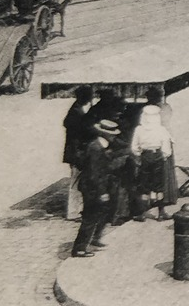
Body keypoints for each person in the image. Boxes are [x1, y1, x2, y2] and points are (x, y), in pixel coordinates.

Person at [72, 119, 123, 257]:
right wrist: (102, 192)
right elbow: (95, 174)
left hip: (96, 186)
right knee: (90, 217)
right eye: (112, 134)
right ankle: (79, 248)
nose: (114, 136)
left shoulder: (101, 146)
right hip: (92, 188)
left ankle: (94, 238)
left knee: (102, 213)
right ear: (105, 134)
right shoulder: (95, 148)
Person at [131, 87, 177, 221]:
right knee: (159, 186)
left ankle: (142, 213)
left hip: (145, 156)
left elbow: (134, 147)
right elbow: (166, 147)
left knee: (144, 185)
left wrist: (139, 155)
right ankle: (161, 212)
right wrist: (163, 156)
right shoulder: (161, 129)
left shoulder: (139, 129)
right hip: (157, 156)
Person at [62, 85, 98, 222]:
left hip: (76, 151)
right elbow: (84, 131)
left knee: (79, 181)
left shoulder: (77, 109)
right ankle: (73, 212)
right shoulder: (76, 113)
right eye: (89, 96)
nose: (91, 99)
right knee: (76, 182)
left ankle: (79, 209)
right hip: (76, 153)